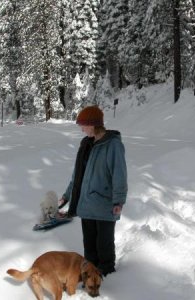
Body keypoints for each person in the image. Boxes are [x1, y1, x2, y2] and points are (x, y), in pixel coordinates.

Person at [59, 105, 128, 277]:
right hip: (86, 204)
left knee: (104, 246)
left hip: (104, 205)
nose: (81, 129)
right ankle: (90, 276)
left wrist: (118, 200)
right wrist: (66, 196)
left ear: (93, 124)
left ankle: (108, 278)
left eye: (83, 125)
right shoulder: (86, 144)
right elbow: (77, 176)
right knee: (89, 246)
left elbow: (119, 173)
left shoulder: (113, 145)